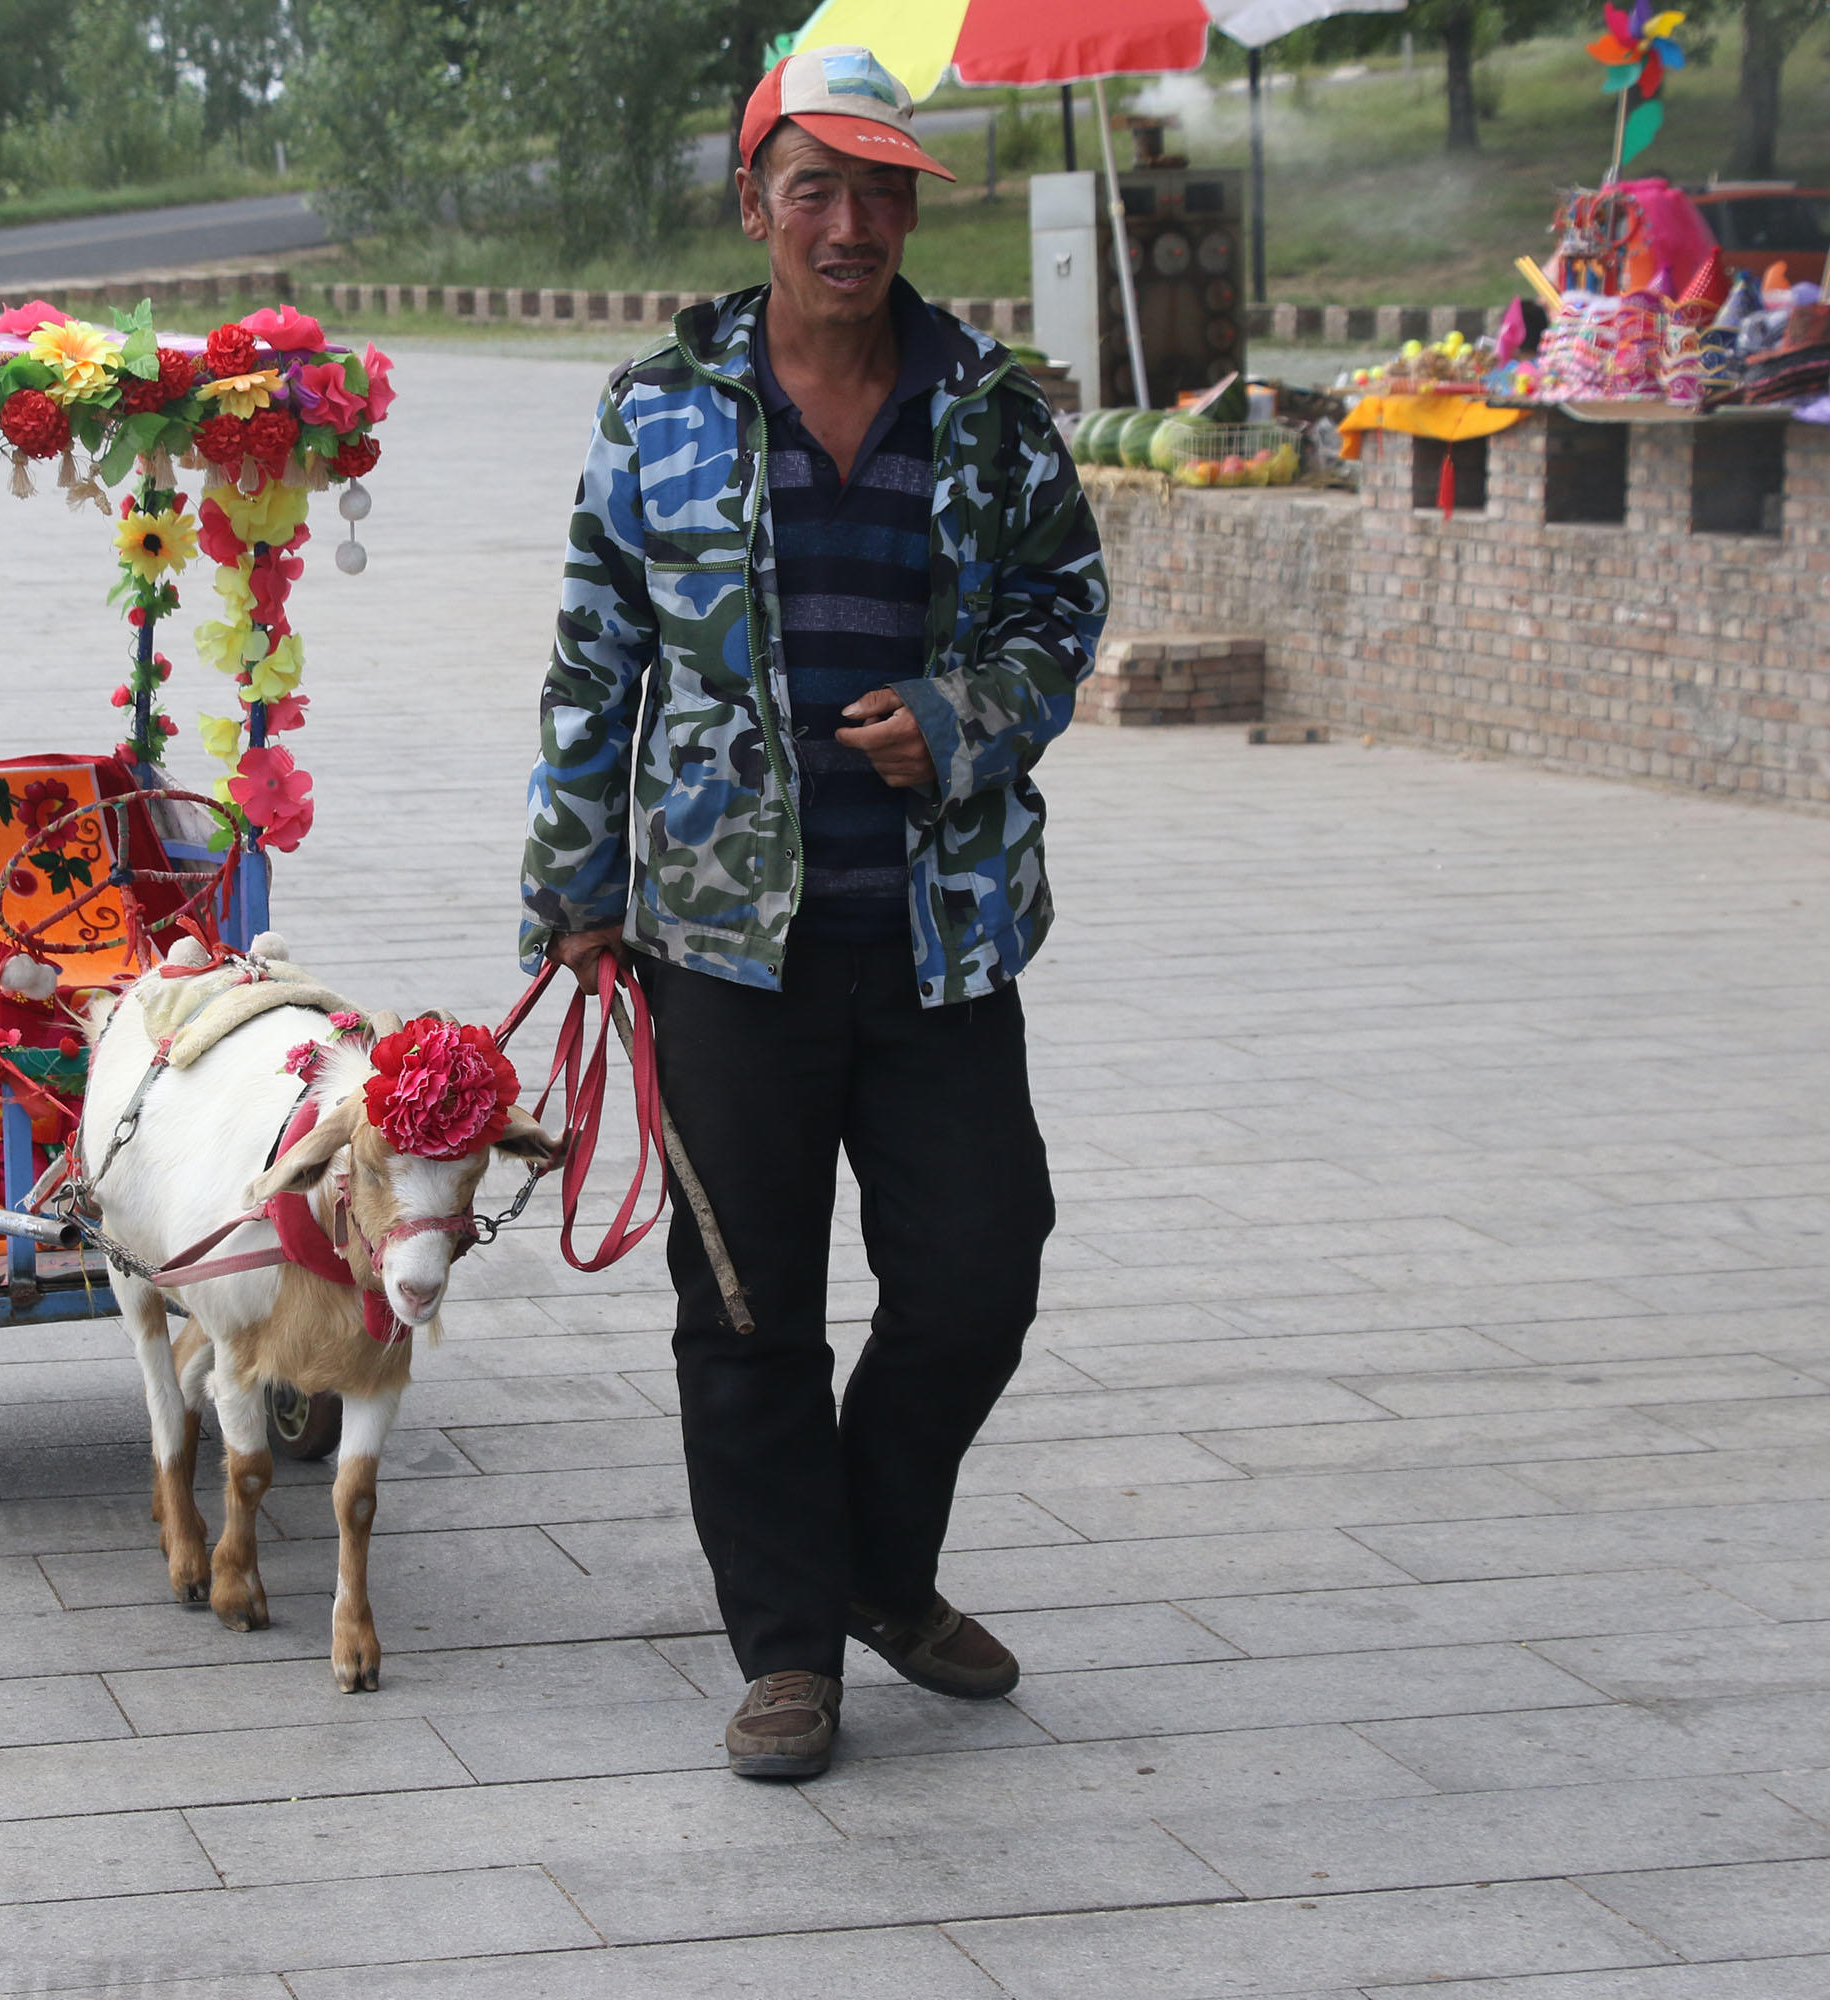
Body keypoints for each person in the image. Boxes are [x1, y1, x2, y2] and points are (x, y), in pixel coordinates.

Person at [515, 44, 1108, 1782]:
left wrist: (966, 717)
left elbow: (1061, 611)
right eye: (817, 189)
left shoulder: (992, 404)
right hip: (720, 943)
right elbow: (592, 659)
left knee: (981, 1276)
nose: (852, 225)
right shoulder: (659, 406)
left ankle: (875, 1566)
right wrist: (574, 890)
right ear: (755, 198)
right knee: (749, 1310)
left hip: (942, 935)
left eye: (883, 192)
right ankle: (793, 1650)